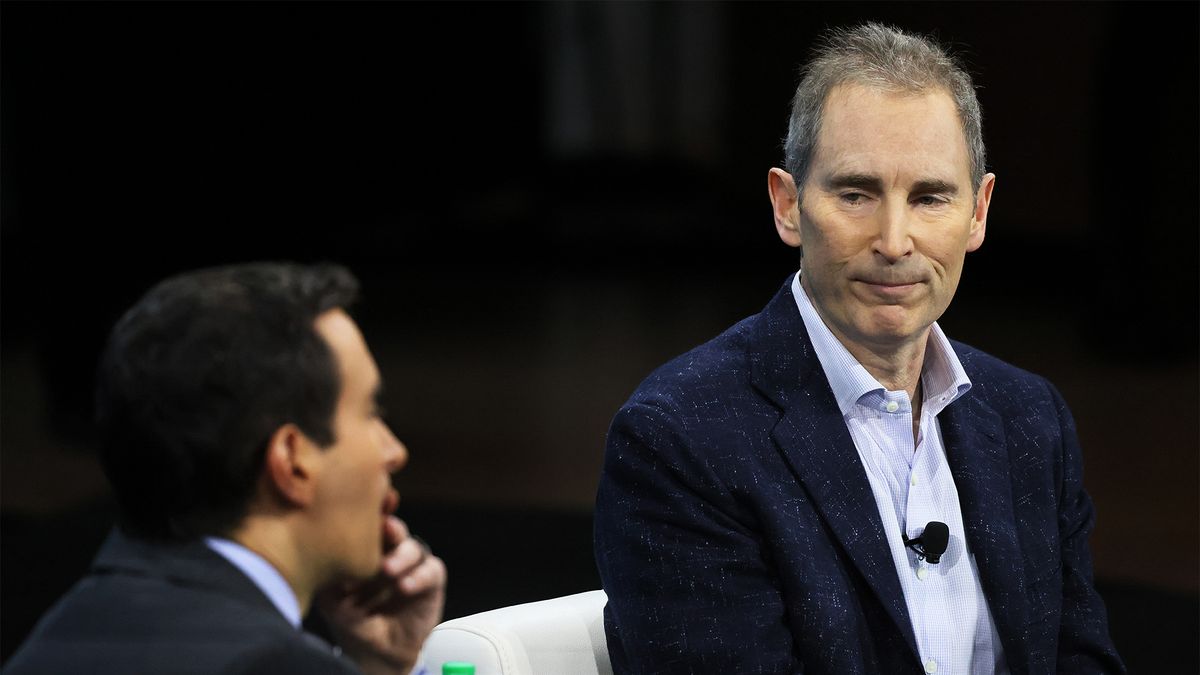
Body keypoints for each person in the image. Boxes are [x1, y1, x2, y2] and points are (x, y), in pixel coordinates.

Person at [594, 23, 1124, 674]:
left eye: (930, 197)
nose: (895, 239)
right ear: (787, 205)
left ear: (979, 213)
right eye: (856, 193)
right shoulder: (681, 441)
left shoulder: (1030, 420)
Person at [7, 262, 446, 674]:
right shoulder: (273, 665)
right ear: (292, 462)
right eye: (369, 412)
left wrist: (378, 662)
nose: (394, 451)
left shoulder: (56, 639)